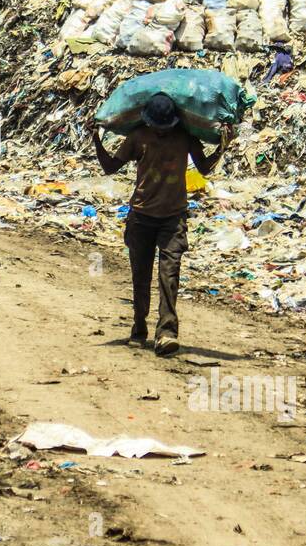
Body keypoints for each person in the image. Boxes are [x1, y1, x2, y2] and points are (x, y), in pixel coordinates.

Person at [91, 93, 230, 355]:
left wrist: (223, 145)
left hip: (173, 218)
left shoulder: (185, 137)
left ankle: (167, 331)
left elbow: (204, 168)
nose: (161, 131)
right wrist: (96, 139)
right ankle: (139, 326)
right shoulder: (138, 137)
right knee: (140, 275)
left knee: (170, 275)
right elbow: (110, 167)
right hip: (141, 216)